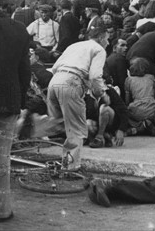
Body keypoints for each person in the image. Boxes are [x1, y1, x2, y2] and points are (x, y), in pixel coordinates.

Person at [0, 0, 32, 223]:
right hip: (6, 104)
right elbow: (24, 72)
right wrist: (21, 100)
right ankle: (0, 210)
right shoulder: (20, 31)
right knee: (1, 160)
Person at [47, 25, 109, 170]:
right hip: (72, 82)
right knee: (75, 129)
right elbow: (95, 76)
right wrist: (102, 93)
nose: (108, 42)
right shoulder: (99, 49)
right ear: (100, 38)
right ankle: (70, 167)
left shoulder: (74, 46)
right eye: (107, 39)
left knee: (55, 123)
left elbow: (55, 67)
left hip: (55, 81)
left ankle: (32, 125)